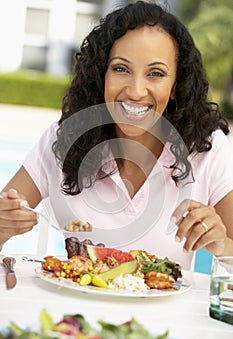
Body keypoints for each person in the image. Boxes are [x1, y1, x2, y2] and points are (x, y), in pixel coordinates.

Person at [1, 0, 233, 269]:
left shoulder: (206, 147)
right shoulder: (63, 139)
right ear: (102, 75)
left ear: (176, 86)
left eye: (156, 74)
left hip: (165, 311)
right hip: (76, 310)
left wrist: (221, 245)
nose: (136, 91)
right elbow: (6, 211)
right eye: (121, 69)